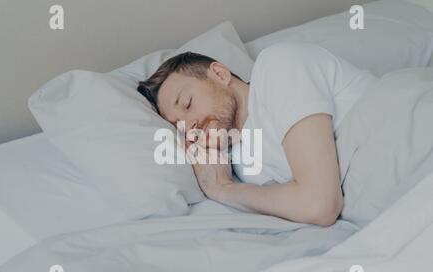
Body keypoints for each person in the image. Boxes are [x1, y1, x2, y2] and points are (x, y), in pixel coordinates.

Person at [137, 42, 378, 226]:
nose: (190, 128)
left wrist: (223, 188)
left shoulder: (277, 66)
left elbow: (321, 204)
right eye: (179, 126)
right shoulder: (239, 165)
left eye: (188, 103)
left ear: (220, 74)